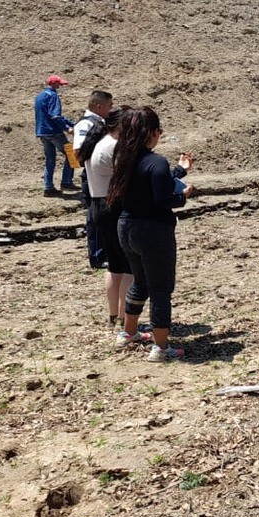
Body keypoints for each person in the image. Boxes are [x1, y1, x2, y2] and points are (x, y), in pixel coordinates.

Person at [108, 106, 196, 362]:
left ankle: (128, 332)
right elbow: (163, 197)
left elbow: (153, 181)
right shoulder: (156, 161)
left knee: (140, 281)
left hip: (126, 227)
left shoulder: (122, 157)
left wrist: (179, 171)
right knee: (160, 288)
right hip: (153, 230)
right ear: (153, 132)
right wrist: (183, 194)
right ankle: (161, 346)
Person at [79, 107, 139, 335]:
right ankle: (126, 318)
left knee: (114, 266)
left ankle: (114, 316)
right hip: (112, 206)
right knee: (128, 267)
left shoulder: (97, 143)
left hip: (98, 204)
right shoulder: (113, 147)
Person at [72, 90, 114, 269]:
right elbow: (78, 152)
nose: (111, 109)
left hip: (99, 173)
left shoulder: (100, 122)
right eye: (109, 106)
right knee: (95, 216)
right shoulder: (86, 124)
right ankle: (97, 255)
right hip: (92, 174)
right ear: (99, 106)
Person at [34, 74, 76, 196]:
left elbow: (47, 115)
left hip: (42, 132)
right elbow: (55, 116)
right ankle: (67, 181)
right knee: (71, 154)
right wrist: (67, 128)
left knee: (50, 159)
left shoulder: (39, 97)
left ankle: (48, 187)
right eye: (59, 84)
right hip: (53, 131)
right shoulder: (53, 96)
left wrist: (69, 122)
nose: (60, 86)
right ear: (53, 84)